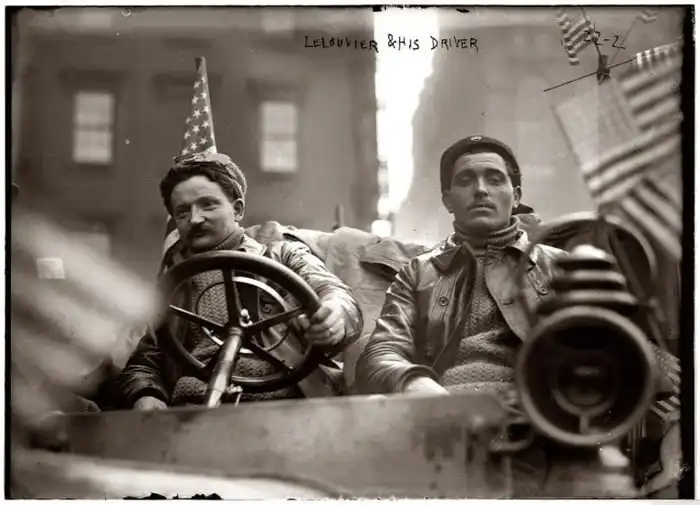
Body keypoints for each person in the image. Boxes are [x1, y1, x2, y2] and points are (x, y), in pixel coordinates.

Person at [118, 152, 363, 409]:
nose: (195, 219)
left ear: (237, 210)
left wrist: (335, 314)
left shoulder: (283, 255)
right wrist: (146, 395)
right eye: (182, 212)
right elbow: (146, 362)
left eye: (208, 205)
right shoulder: (173, 286)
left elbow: (335, 294)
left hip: (287, 406)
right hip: (194, 410)